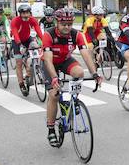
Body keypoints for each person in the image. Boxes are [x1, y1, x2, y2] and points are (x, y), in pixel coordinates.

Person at [40, 9, 102, 147]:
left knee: (79, 72)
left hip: (65, 60)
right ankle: (51, 129)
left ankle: (73, 100)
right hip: (49, 64)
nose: (67, 27)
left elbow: (86, 55)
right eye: (63, 24)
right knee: (54, 95)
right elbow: (48, 60)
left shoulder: (76, 34)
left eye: (70, 24)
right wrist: (55, 78)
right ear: (57, 23)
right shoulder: (48, 35)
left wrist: (95, 74)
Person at [11, 3, 44, 94]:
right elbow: (15, 33)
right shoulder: (15, 21)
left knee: (35, 50)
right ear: (20, 14)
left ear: (30, 13)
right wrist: (20, 45)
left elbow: (38, 31)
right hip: (17, 41)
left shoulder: (33, 20)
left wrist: (45, 42)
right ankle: (21, 84)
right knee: (19, 62)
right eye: (23, 13)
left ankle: (33, 69)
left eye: (27, 13)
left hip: (27, 39)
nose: (25, 15)